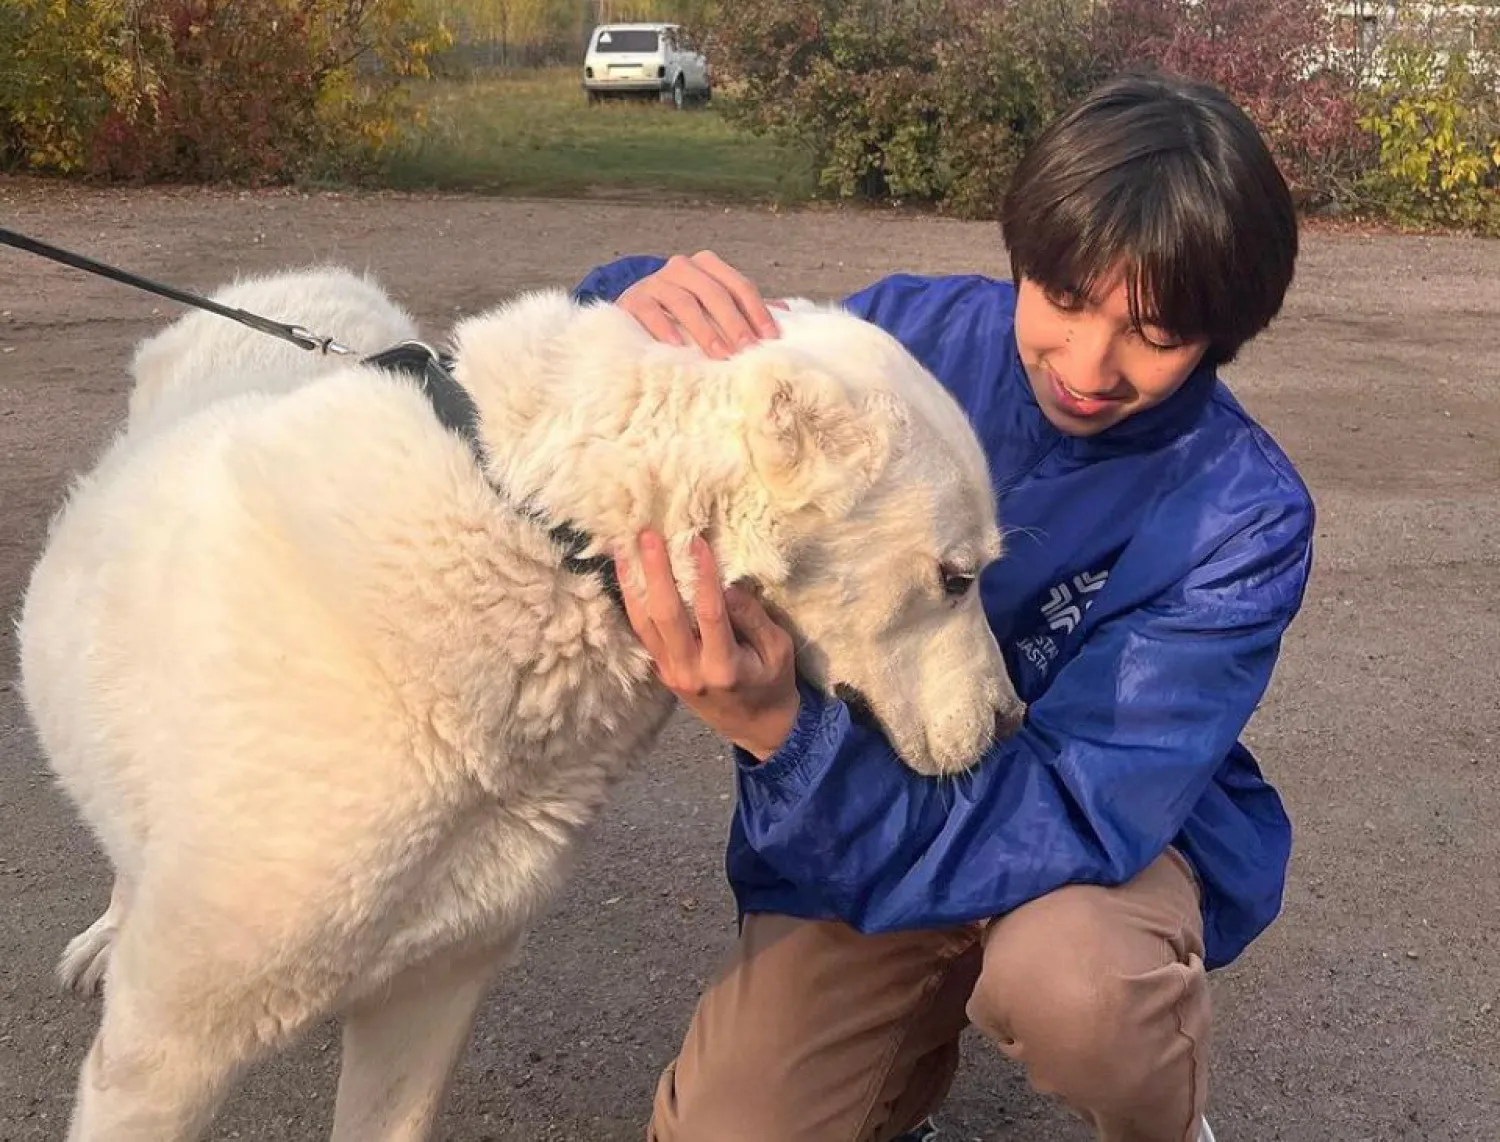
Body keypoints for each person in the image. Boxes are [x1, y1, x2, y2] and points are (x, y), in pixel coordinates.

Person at [571, 69, 1313, 1142]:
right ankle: (893, 1084)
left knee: (1080, 990)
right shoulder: (912, 343)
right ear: (1024, 255)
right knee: (733, 1124)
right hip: (879, 793)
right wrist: (630, 300)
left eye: (1153, 332)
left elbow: (1084, 802)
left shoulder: (1239, 510)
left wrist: (786, 733)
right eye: (1062, 297)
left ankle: (1162, 1117)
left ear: (1223, 331)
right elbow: (703, 380)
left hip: (1086, 831)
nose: (1089, 364)